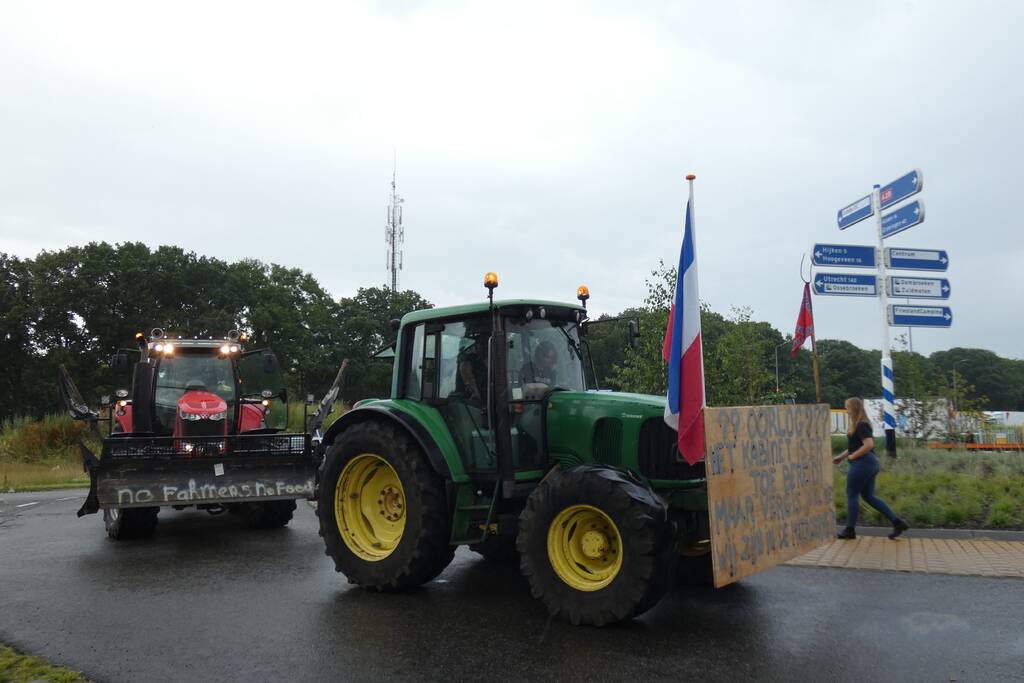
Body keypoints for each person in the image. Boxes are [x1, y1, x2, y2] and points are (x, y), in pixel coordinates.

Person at [834, 397, 909, 540]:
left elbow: (868, 445)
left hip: (863, 463)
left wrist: (852, 457)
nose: (846, 411)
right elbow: (854, 446)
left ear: (854, 408)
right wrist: (841, 457)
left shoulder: (861, 425)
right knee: (868, 496)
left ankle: (850, 530)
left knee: (852, 494)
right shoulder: (859, 424)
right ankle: (898, 523)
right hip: (870, 463)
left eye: (847, 407)